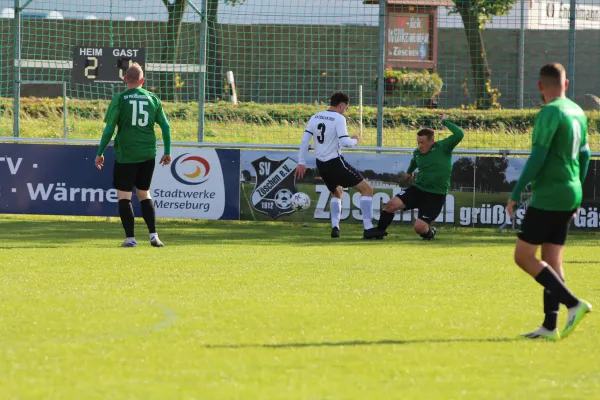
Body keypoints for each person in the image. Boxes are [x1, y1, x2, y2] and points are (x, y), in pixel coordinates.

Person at [507, 62, 592, 340]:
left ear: (540, 86)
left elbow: (538, 156)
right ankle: (549, 326)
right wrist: (577, 189)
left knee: (523, 256)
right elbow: (586, 155)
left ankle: (574, 303)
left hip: (550, 194)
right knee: (552, 261)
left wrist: (516, 192)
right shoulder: (577, 111)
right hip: (571, 191)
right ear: (566, 84)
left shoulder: (550, 112)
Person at [95, 63, 172, 248]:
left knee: (124, 196)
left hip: (126, 154)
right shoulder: (153, 98)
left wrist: (100, 152)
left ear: (124, 80)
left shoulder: (120, 99)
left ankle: (130, 238)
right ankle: (154, 236)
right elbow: (166, 127)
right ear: (142, 80)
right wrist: (167, 151)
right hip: (147, 154)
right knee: (144, 194)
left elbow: (109, 130)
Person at [294, 92, 385, 239]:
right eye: (346, 108)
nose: (345, 111)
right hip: (335, 163)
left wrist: (301, 162)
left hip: (321, 164)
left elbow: (305, 141)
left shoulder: (315, 117)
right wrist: (355, 140)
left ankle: (335, 226)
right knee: (367, 189)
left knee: (337, 192)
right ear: (342, 105)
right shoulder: (339, 118)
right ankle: (368, 228)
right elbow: (345, 142)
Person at [376, 114, 464, 240]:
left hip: (436, 195)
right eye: (418, 142)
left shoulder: (444, 147)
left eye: (422, 142)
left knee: (419, 228)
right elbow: (414, 162)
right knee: (391, 204)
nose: (420, 145)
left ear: (432, 141)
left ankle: (430, 233)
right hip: (418, 189)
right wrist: (409, 172)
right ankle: (378, 233)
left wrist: (444, 121)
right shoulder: (417, 153)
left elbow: (459, 134)